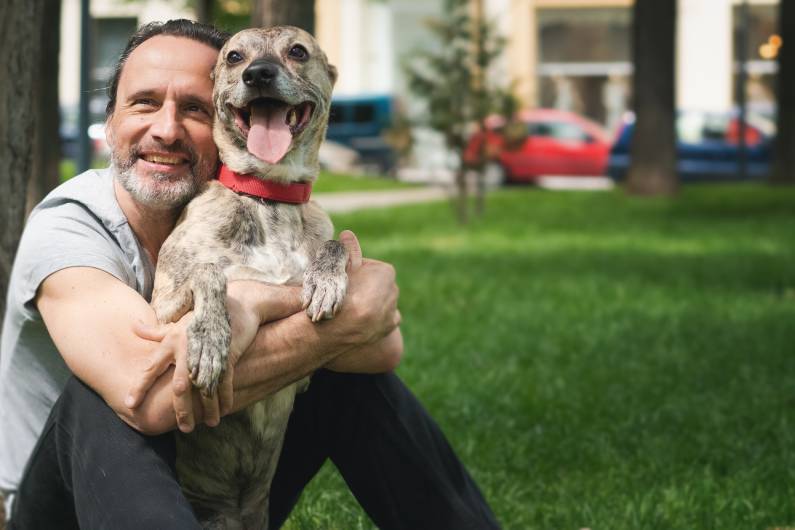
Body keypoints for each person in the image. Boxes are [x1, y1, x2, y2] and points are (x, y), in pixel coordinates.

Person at [0, 19, 499, 529]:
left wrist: (288, 304)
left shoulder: (223, 206)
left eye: (192, 108)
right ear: (110, 121)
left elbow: (381, 352)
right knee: (101, 394)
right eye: (144, 103)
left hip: (228, 493)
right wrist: (271, 303)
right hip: (72, 504)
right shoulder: (68, 224)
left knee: (348, 374)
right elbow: (146, 397)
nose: (167, 130)